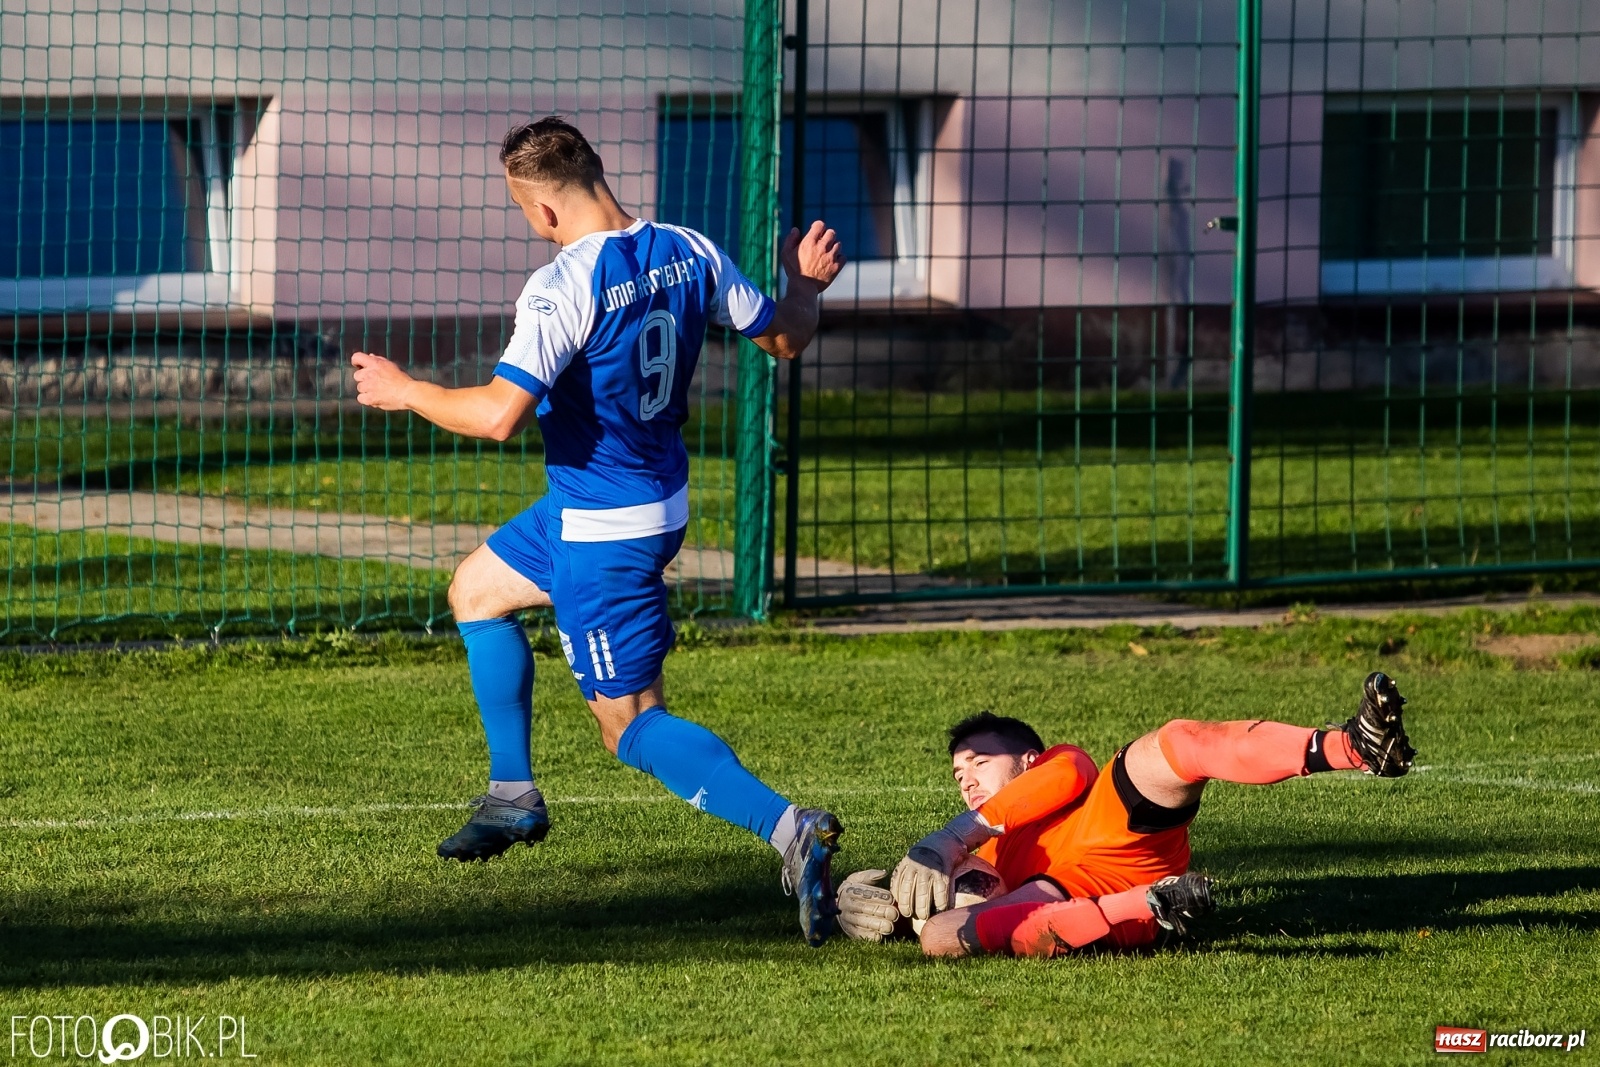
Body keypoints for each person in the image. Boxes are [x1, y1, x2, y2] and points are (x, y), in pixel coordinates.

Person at [349, 116, 848, 946]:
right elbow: (786, 336)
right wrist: (805, 285)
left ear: (542, 212)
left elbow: (500, 415)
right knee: (475, 589)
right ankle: (513, 796)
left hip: (602, 531)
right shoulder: (692, 248)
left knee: (629, 723)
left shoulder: (560, 285)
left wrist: (407, 390)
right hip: (632, 499)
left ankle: (789, 828)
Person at [836, 671, 1415, 957]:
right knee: (941, 938)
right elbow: (969, 903)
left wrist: (953, 834)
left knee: (1175, 743)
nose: (967, 780)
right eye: (958, 775)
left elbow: (1074, 774)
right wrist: (888, 910)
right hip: (1079, 896)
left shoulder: (1056, 770)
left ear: (1028, 758)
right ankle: (1161, 903)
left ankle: (1353, 747)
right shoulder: (976, 850)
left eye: (980, 762)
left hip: (1116, 830)